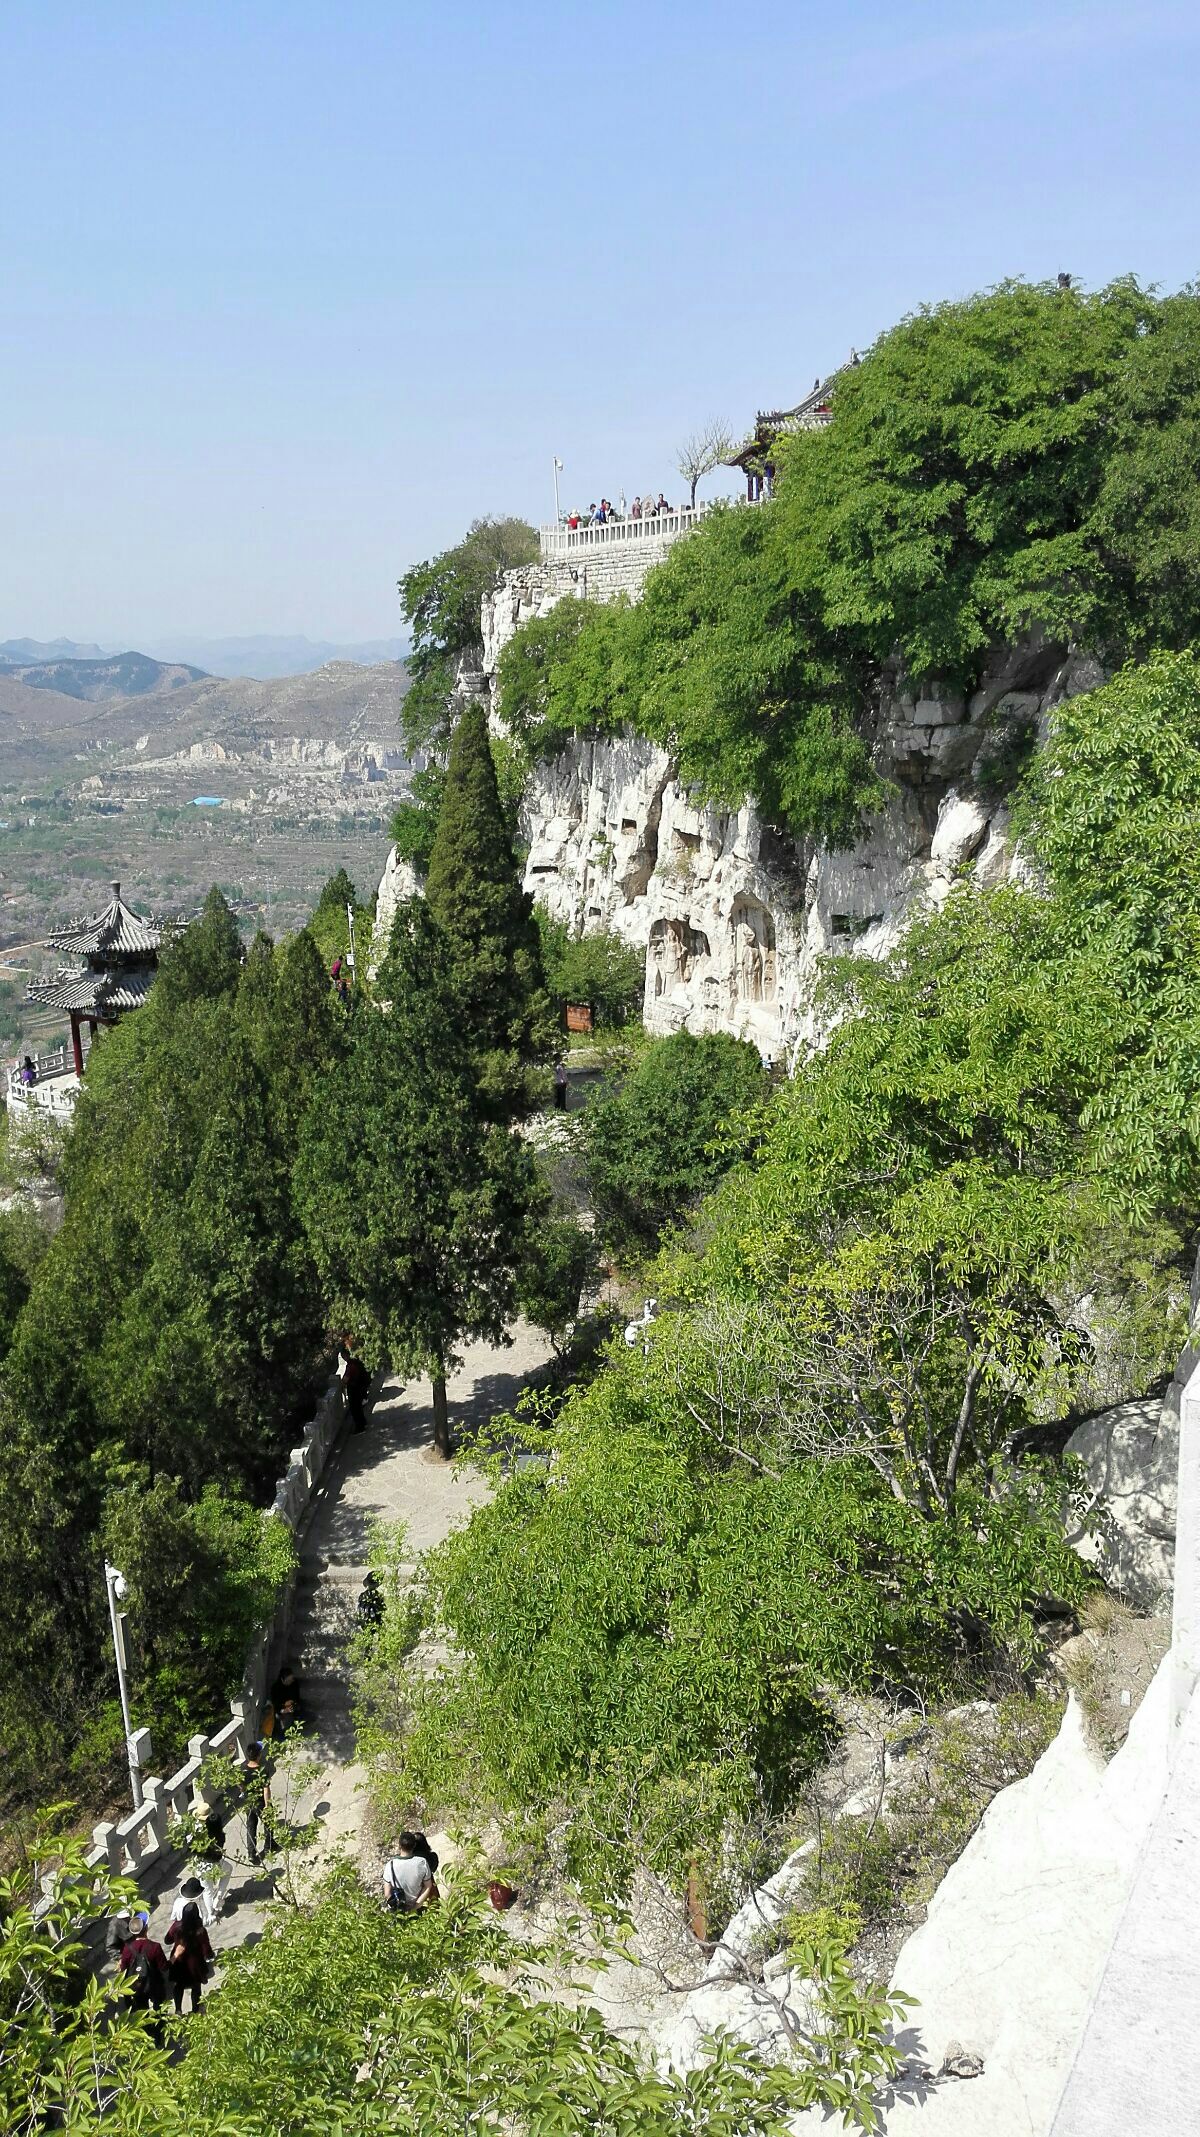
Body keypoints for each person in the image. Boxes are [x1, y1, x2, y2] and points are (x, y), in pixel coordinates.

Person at [164, 1899, 213, 2014]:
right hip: (195, 1964)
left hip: (179, 1962)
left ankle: (178, 2010)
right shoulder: (200, 1931)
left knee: (178, 1986)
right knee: (196, 1987)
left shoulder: (176, 1927)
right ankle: (195, 2010)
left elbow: (167, 1940)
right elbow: (206, 1949)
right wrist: (210, 1956)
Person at [118, 1912, 169, 2012]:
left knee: (141, 2009)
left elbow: (123, 1969)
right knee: (159, 2006)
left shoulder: (127, 1948)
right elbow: (163, 1967)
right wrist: (174, 1958)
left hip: (136, 1984)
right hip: (154, 1982)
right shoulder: (155, 1947)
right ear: (146, 1928)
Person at [382, 1832, 437, 1913]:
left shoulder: (390, 1865)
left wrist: (396, 1908)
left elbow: (387, 1894)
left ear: (399, 1846)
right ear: (414, 1845)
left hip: (400, 1907)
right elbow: (428, 1886)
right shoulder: (422, 1862)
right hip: (419, 1906)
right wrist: (416, 1906)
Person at [240, 1740, 273, 1864]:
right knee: (268, 1824)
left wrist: (245, 1793)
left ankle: (251, 1853)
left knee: (251, 1827)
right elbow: (266, 1790)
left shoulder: (242, 1770)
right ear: (259, 1755)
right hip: (260, 1802)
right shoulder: (262, 1770)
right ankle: (269, 1847)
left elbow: (241, 1786)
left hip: (249, 1802)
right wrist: (267, 1806)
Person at [338, 1339, 371, 1431]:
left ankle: (360, 1427)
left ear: (346, 1355)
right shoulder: (355, 1362)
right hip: (360, 1387)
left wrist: (341, 1384)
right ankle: (363, 1424)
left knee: (355, 1409)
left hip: (354, 1389)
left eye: (343, 1356)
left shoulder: (351, 1365)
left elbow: (345, 1379)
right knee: (359, 1408)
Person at [271, 1665, 303, 1738]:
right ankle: (283, 1735)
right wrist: (283, 1709)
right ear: (282, 1679)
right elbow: (275, 1704)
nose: (291, 1681)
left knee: (300, 1712)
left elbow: (297, 1697)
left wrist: (293, 1702)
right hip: (281, 1709)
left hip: (292, 1705)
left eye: (291, 1679)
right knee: (280, 1719)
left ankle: (295, 1724)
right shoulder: (276, 1688)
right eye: (288, 1680)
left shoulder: (294, 1683)